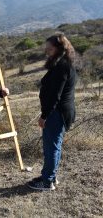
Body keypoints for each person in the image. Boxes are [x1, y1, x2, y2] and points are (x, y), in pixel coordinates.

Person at [27, 33, 77, 191]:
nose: (47, 51)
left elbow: (56, 95)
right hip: (60, 112)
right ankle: (50, 176)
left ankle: (47, 181)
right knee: (54, 145)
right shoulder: (63, 63)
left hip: (56, 113)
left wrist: (44, 116)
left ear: (59, 48)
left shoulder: (62, 66)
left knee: (51, 147)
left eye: (49, 48)